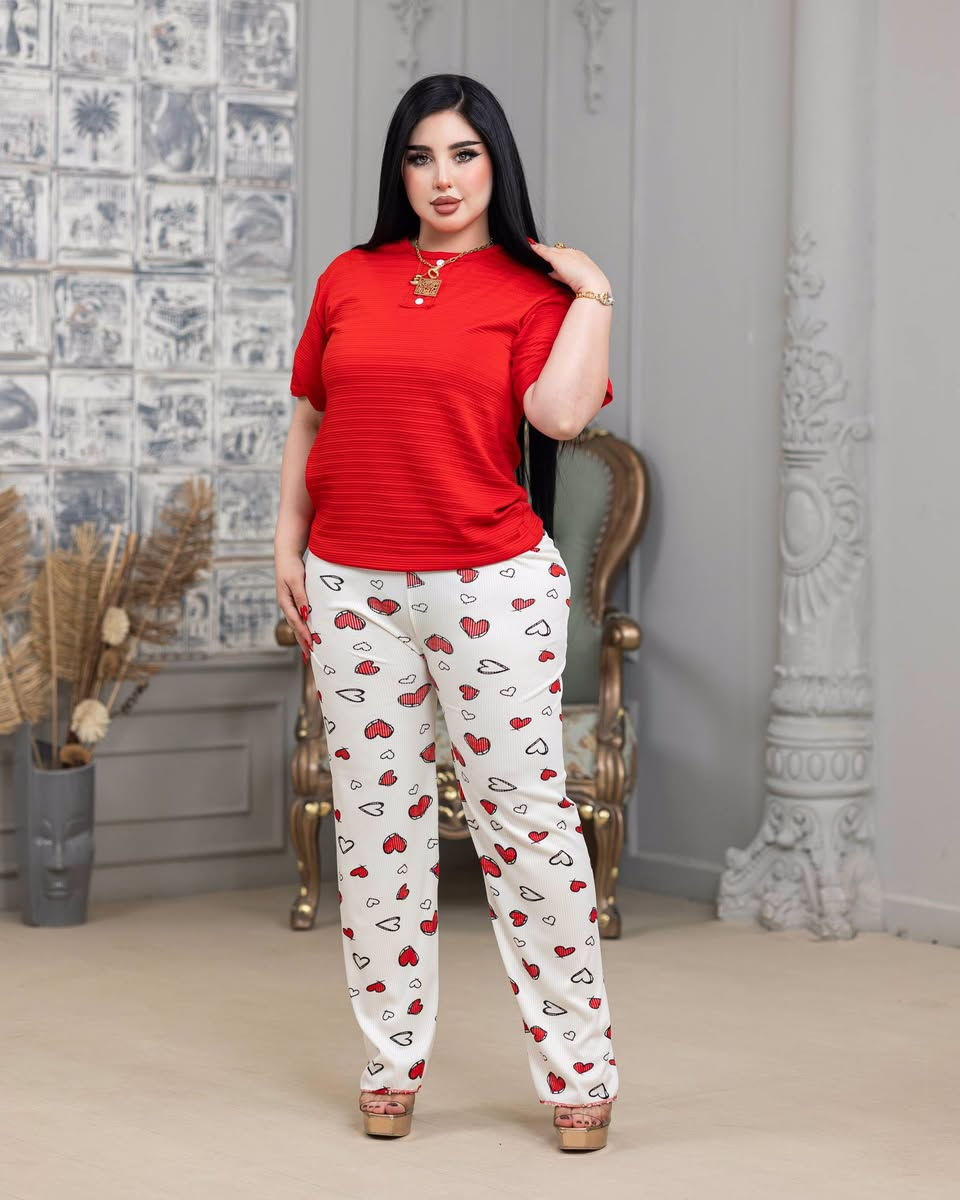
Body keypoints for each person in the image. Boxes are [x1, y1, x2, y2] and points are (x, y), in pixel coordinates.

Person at [274, 73, 618, 1152]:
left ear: (495, 164)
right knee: (376, 833)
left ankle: (580, 1070)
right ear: (401, 170)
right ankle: (389, 1063)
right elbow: (311, 416)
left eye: (465, 154)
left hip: (488, 587)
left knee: (528, 827)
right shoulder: (350, 276)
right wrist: (286, 542)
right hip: (352, 587)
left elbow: (559, 415)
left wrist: (593, 293)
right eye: (423, 156)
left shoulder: (531, 292)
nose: (444, 177)